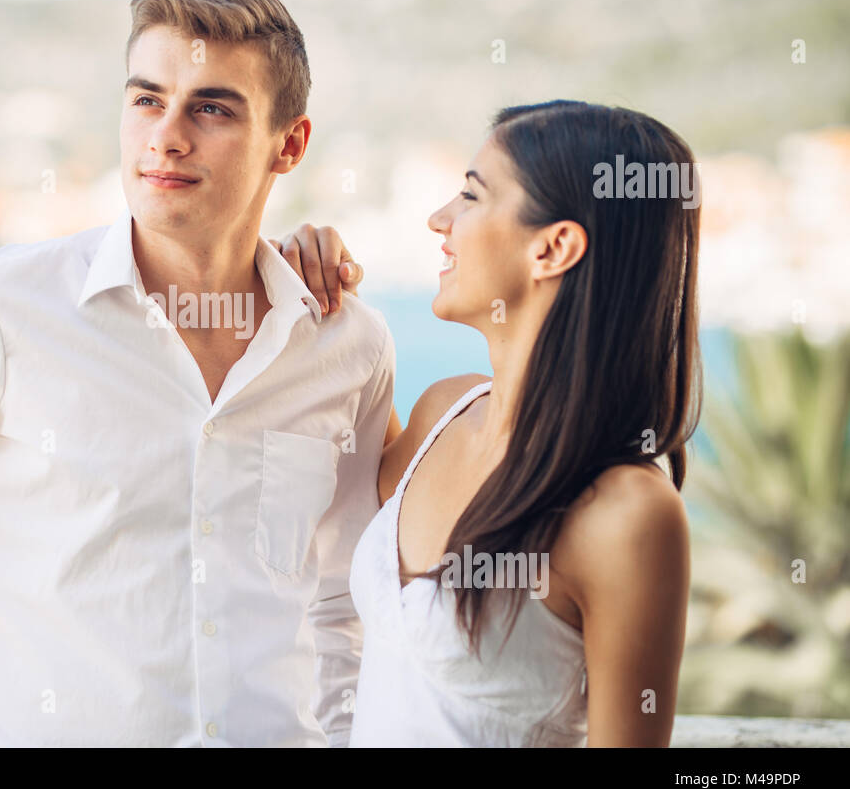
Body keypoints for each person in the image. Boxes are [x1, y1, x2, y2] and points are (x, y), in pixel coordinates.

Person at [0, 0, 395, 747]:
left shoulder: (347, 347)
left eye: (211, 107)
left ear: (288, 144)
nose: (166, 135)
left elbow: (345, 609)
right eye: (146, 99)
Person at [276, 100, 701, 745]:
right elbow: (332, 457)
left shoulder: (628, 513)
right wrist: (324, 304)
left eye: (471, 197)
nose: (438, 219)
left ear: (554, 246)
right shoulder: (441, 415)